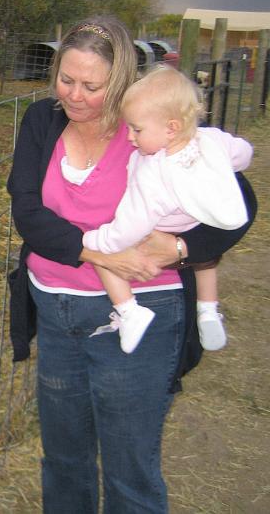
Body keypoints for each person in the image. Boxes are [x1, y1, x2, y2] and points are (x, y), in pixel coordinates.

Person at [6, 15, 256, 513]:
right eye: (66, 80)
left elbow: (238, 205)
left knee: (129, 468)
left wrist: (180, 250)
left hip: (145, 309)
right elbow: (27, 211)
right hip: (56, 312)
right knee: (64, 459)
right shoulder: (42, 120)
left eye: (92, 86)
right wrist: (100, 253)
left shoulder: (150, 125)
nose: (75, 96)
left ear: (119, 82)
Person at [83, 65, 253, 354]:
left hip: (162, 230)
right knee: (206, 260)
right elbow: (243, 153)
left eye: (137, 129)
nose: (130, 138)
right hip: (196, 224)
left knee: (103, 256)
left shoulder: (153, 171)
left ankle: (129, 311)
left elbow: (132, 225)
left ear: (171, 127)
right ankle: (208, 310)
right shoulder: (210, 139)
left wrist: (95, 241)